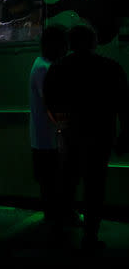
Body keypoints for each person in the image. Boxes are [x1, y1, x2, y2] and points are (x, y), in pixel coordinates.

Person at [43, 24, 129, 250]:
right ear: (94, 42)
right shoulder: (111, 68)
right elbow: (123, 106)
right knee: (95, 187)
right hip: (101, 135)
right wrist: (124, 134)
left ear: (70, 44)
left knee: (67, 184)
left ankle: (59, 232)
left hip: (71, 135)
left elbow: (50, 103)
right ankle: (90, 236)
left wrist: (62, 126)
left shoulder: (58, 69)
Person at [30, 24, 71, 223]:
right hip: (49, 138)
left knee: (49, 182)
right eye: (65, 44)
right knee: (53, 181)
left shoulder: (40, 64)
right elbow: (51, 103)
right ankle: (57, 219)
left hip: (44, 137)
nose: (67, 49)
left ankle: (54, 218)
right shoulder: (44, 68)